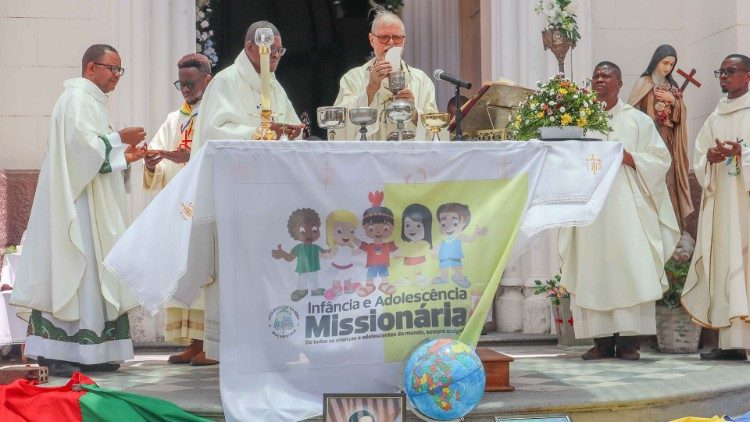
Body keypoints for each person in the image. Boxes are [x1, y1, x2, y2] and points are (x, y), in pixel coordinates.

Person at [10, 44, 148, 376]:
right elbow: (78, 149)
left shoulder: (89, 100)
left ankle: (96, 350)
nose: (117, 76)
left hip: (91, 200)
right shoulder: (76, 99)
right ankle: (63, 351)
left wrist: (125, 154)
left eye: (120, 70)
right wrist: (117, 139)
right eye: (111, 68)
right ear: (90, 68)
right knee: (78, 270)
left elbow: (92, 152)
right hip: (77, 207)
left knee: (95, 273)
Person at [559, 61, 679, 361]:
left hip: (628, 205)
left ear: (620, 83)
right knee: (594, 266)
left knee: (630, 266)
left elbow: (660, 159)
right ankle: (601, 342)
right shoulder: (578, 121)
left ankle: (628, 343)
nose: (600, 80)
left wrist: (629, 157)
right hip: (591, 206)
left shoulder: (637, 121)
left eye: (606, 75)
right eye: (596, 76)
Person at [143, 53, 217, 366]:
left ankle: (212, 345)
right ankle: (193, 341)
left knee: (207, 274)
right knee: (185, 272)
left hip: (208, 204)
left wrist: (187, 156)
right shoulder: (176, 119)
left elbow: (215, 152)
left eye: (190, 82)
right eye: (180, 83)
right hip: (181, 208)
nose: (184, 89)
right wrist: (151, 163)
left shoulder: (216, 115)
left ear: (207, 80)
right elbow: (160, 159)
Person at [681, 54, 750, 361]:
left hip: (745, 203)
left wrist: (742, 155)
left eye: (730, 71)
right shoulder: (715, 116)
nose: (723, 76)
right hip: (722, 202)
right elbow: (699, 155)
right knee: (723, 264)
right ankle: (730, 343)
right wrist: (709, 158)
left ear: (747, 76)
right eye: (720, 71)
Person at [191, 20, 305, 153]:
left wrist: (290, 133)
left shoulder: (274, 85)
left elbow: (290, 126)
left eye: (280, 50)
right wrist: (259, 133)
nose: (277, 55)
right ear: (250, 47)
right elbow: (213, 132)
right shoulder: (225, 81)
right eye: (271, 49)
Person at [333, 7, 438, 140]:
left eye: (397, 37)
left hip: (408, 157)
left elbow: (436, 130)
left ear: (404, 40)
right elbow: (339, 125)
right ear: (372, 40)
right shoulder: (352, 78)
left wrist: (414, 113)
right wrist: (370, 89)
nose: (391, 43)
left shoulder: (421, 80)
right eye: (383, 37)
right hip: (370, 158)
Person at [628, 44, 694, 232]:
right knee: (650, 180)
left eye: (671, 65)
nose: (667, 68)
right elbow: (631, 111)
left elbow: (681, 114)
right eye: (665, 63)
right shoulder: (643, 83)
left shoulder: (672, 87)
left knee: (669, 181)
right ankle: (650, 227)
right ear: (656, 60)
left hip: (667, 141)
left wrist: (673, 100)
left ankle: (672, 228)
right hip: (648, 142)